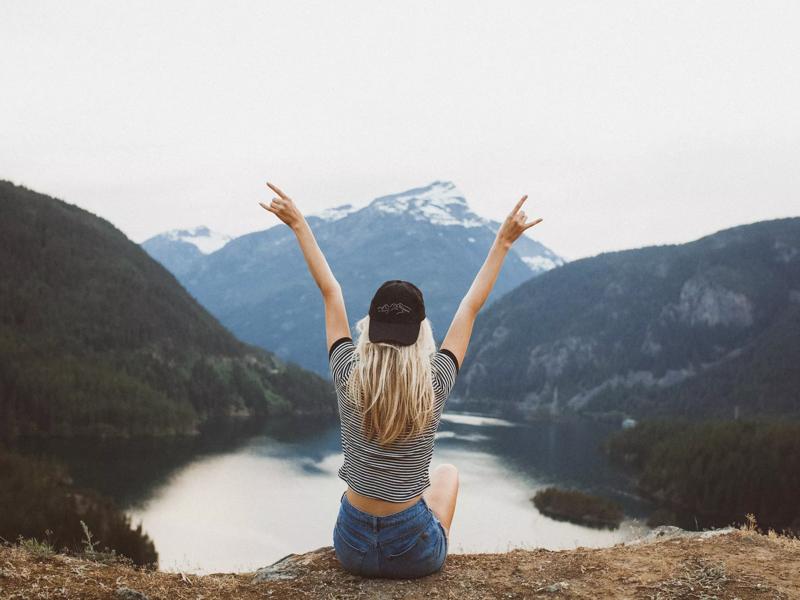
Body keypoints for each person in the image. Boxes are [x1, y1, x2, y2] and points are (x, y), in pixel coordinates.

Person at [260, 182, 542, 579]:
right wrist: (503, 242)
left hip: (351, 546)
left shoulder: (348, 372)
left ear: (370, 327)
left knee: (387, 492)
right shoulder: (435, 382)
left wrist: (299, 225)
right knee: (446, 475)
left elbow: (330, 291)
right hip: (414, 553)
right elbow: (471, 306)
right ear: (420, 332)